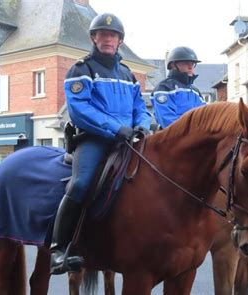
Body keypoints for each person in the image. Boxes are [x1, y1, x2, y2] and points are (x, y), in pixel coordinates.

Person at [50, 13, 151, 275]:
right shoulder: (81, 69)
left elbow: (141, 107)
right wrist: (116, 128)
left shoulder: (128, 75)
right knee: (81, 184)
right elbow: (79, 109)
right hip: (94, 139)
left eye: (113, 35)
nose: (108, 39)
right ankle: (59, 249)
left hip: (129, 139)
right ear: (94, 38)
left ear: (120, 41)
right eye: (103, 35)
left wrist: (142, 125)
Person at [151, 46, 206, 128]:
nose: (190, 67)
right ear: (173, 65)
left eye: (192, 63)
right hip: (173, 137)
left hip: (196, 136)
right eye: (186, 63)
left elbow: (205, 115)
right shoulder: (164, 88)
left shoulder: (195, 91)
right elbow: (166, 120)